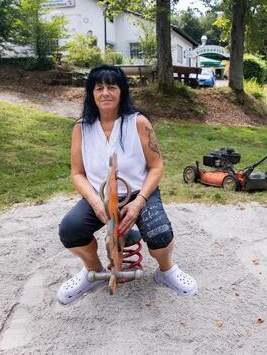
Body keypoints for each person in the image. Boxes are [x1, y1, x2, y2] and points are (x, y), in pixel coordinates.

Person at [57, 64, 198, 304]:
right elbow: (77, 174)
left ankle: (166, 270)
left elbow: (156, 167)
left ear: (122, 91)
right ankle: (93, 271)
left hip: (139, 192)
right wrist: (95, 203)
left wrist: (139, 202)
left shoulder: (139, 123)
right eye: (98, 88)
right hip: (99, 196)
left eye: (111, 87)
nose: (105, 93)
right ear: (91, 93)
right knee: (70, 229)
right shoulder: (81, 128)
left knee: (159, 232)